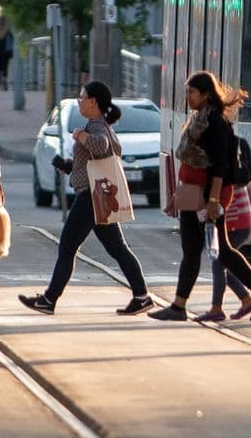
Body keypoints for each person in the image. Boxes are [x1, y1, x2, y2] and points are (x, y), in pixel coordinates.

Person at [150, 72, 251, 322]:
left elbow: (220, 166)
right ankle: (179, 306)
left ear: (206, 94)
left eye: (192, 92)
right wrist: (177, 196)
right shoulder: (198, 119)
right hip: (193, 194)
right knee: (194, 250)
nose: (188, 97)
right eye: (187, 92)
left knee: (222, 250)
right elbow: (188, 162)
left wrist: (214, 202)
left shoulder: (216, 124)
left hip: (209, 195)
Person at [21, 81, 155, 316]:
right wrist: (71, 166)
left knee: (67, 247)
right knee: (118, 248)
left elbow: (100, 146)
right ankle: (141, 296)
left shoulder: (96, 127)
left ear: (93, 102)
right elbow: (96, 160)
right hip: (99, 194)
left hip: (91, 197)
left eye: (82, 98)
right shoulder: (102, 125)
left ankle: (49, 299)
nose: (79, 101)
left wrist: (80, 135)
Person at [200, 180, 251, 321]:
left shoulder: (223, 163)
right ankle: (247, 300)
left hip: (235, 221)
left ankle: (217, 308)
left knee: (219, 263)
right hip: (235, 221)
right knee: (224, 264)